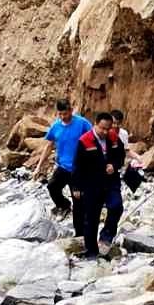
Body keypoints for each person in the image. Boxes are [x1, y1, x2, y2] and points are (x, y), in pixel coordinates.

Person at [33, 99, 92, 236]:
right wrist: (38, 167)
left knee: (78, 202)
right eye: (60, 114)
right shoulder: (56, 126)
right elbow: (49, 146)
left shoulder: (82, 123)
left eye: (65, 113)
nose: (63, 117)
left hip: (79, 169)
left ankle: (80, 234)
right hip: (62, 167)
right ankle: (64, 205)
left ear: (71, 110)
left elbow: (94, 138)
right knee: (52, 187)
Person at [72, 112, 125, 259]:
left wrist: (114, 166)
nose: (105, 132)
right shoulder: (85, 141)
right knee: (91, 218)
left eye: (108, 128)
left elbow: (121, 157)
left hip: (111, 181)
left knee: (116, 206)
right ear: (95, 124)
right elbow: (77, 166)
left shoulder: (114, 137)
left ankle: (106, 236)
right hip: (91, 184)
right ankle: (91, 252)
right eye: (102, 128)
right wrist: (76, 187)